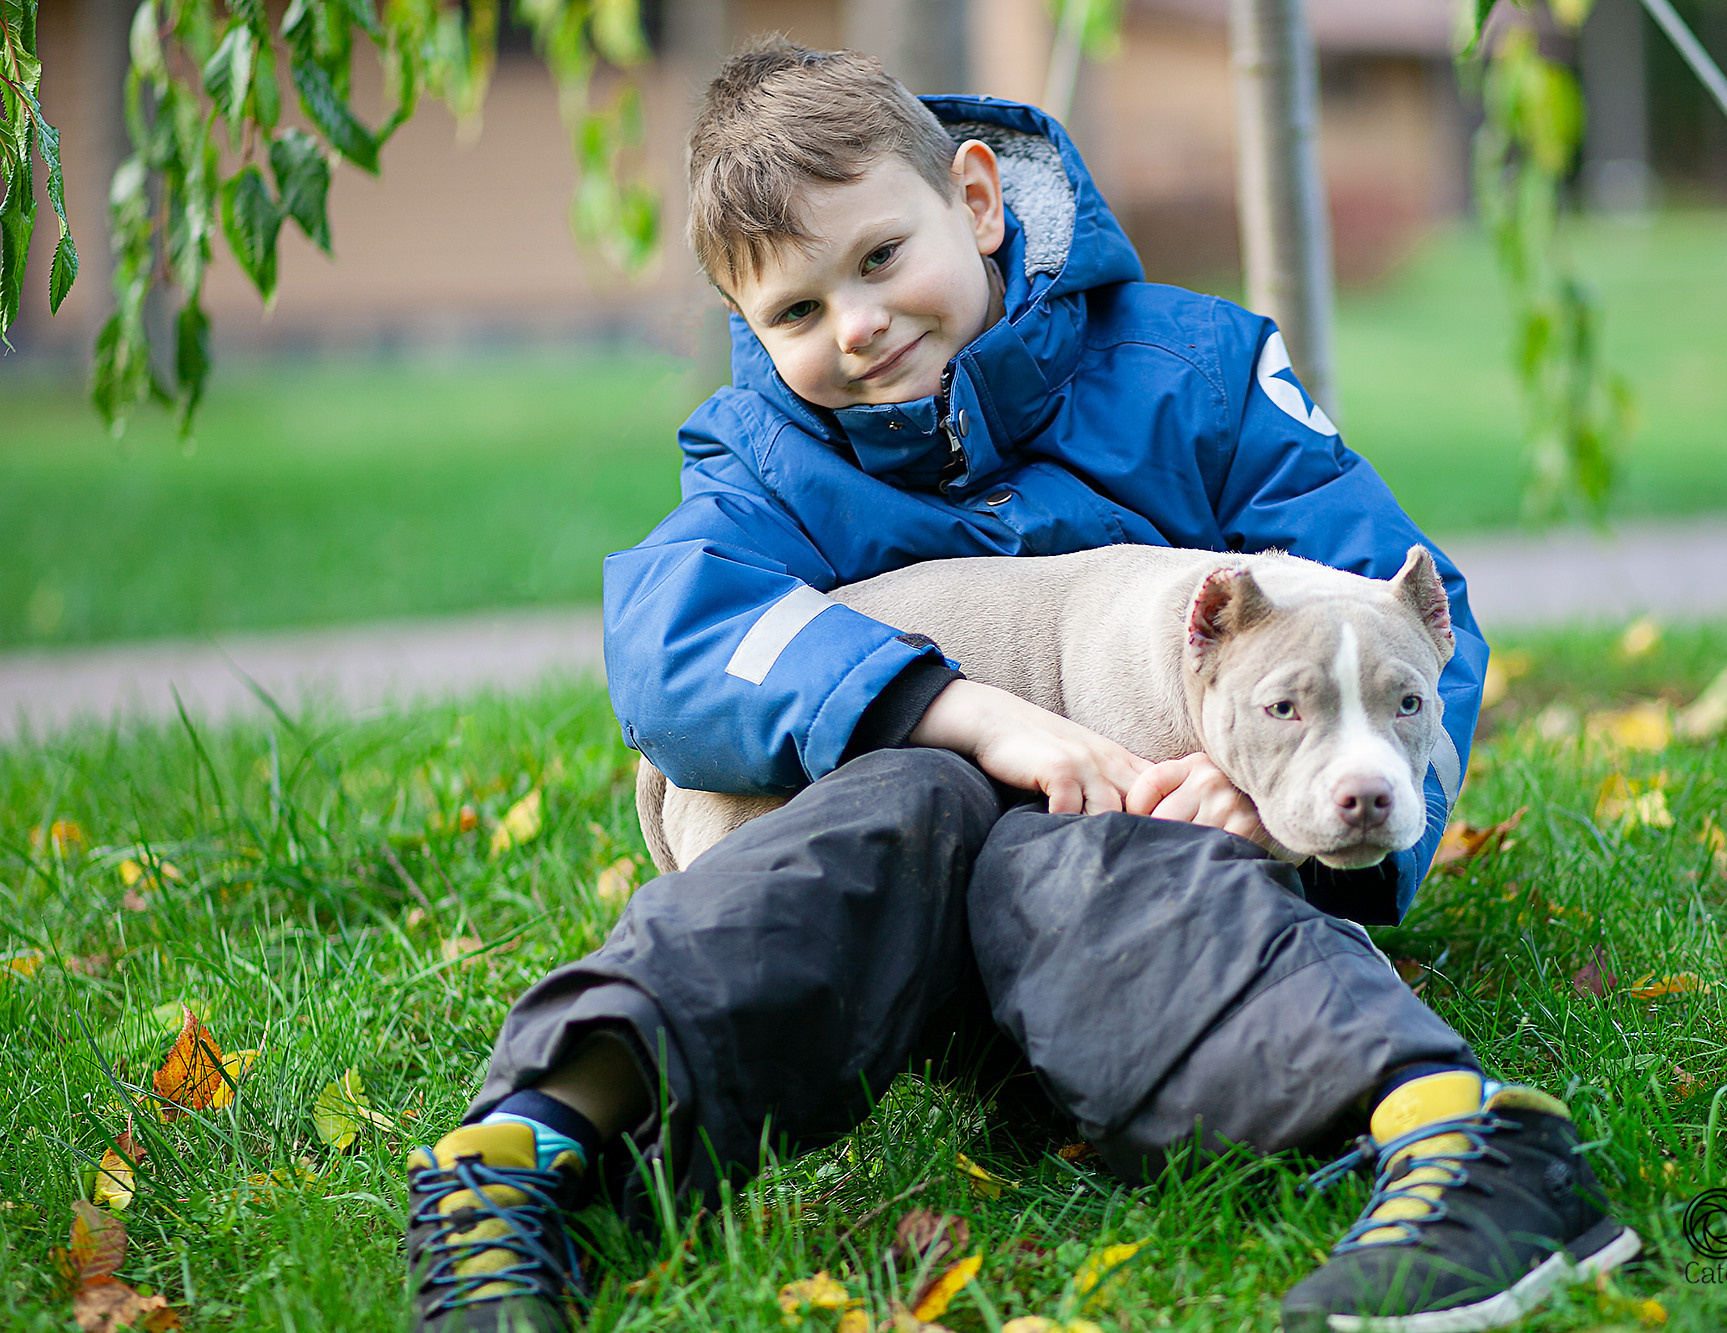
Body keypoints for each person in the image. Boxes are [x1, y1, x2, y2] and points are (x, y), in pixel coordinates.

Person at [403, 39, 1637, 1333]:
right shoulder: (763, 459)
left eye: (882, 257)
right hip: (891, 935)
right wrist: (958, 710)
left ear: (978, 201)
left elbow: (1402, 619)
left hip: (1147, 893)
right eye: (796, 313)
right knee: (906, 805)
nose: (857, 325)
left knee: (1077, 853)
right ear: (749, 327)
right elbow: (673, 638)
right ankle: (530, 1158)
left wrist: (1280, 784)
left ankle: (1460, 1144)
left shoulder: (1195, 373)